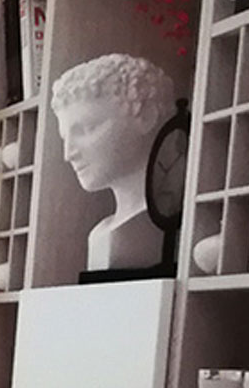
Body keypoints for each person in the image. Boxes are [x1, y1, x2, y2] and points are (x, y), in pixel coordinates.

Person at [49, 53, 175, 272]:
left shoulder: (160, 222)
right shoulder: (102, 232)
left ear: (146, 116)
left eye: (87, 129)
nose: (68, 154)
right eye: (64, 138)